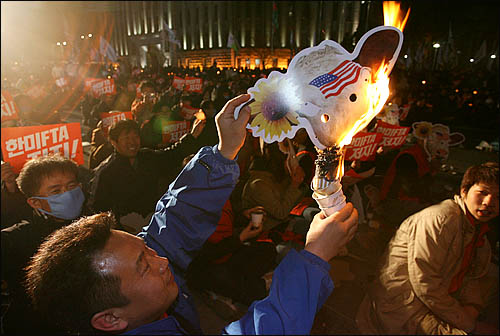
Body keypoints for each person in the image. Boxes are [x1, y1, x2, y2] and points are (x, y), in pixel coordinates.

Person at [24, 94, 359, 335]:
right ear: (110, 319)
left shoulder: (138, 286)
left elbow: (174, 223)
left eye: (147, 251)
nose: (163, 261)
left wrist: (224, 150)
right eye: (145, 265)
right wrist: (314, 259)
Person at [356, 162, 499, 335]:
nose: (489, 202)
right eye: (483, 192)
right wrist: (469, 324)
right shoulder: (441, 219)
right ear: (464, 191)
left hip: (434, 306)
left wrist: (472, 308)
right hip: (401, 310)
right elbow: (425, 284)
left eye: (498, 197)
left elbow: (475, 279)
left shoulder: (479, 235)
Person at [1, 155, 86, 334]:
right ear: (35, 202)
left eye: (71, 186)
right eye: (56, 191)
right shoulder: (15, 240)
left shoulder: (98, 224)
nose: (68, 194)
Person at [89, 118, 203, 233]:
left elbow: (171, 155)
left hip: (154, 222)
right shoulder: (106, 172)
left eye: (135, 137)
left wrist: (192, 136)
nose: (132, 142)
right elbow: (98, 209)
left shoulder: (147, 157)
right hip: (125, 232)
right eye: (126, 138)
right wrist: (118, 229)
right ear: (114, 142)